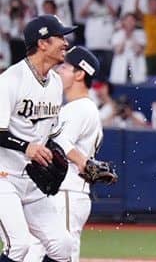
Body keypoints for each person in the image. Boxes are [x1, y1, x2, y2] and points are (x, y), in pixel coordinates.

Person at [0, 15, 76, 262]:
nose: (66, 43)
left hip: (32, 180)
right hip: (4, 178)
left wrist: (80, 162)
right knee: (19, 245)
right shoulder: (10, 80)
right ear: (42, 43)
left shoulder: (55, 83)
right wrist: (26, 147)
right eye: (60, 37)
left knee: (63, 246)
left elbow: (51, 135)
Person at [24, 47, 108, 262]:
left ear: (79, 74)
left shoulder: (82, 108)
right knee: (34, 253)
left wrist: (82, 161)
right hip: (58, 192)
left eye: (64, 67)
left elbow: (61, 142)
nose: (58, 70)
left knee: (63, 255)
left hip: (68, 192)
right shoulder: (73, 108)